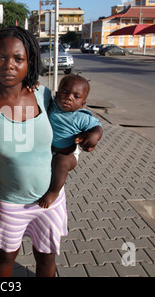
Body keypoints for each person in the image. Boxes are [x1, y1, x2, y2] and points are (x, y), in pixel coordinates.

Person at [0, 26, 62, 277]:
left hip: (49, 202)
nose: (9, 64)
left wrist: (89, 137)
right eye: (1, 57)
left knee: (46, 258)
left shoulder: (44, 95)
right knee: (5, 258)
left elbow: (70, 126)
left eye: (18, 58)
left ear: (30, 62)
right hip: (10, 205)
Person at [38, 74, 103, 209]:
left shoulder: (81, 117)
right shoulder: (53, 105)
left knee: (61, 162)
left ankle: (53, 192)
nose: (69, 97)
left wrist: (93, 137)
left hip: (69, 154)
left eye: (76, 96)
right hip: (49, 151)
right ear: (57, 94)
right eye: (65, 92)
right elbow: (39, 95)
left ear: (82, 104)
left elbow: (97, 127)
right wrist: (35, 85)